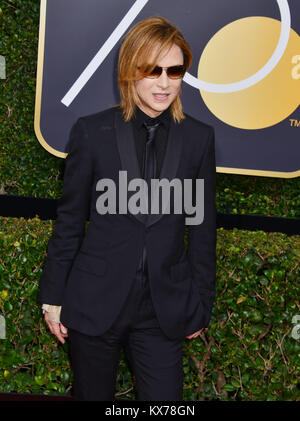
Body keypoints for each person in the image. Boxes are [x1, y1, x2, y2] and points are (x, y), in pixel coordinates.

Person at [39, 16, 216, 401]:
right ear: (130, 71)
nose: (165, 83)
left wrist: (200, 303)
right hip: (94, 301)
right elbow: (69, 221)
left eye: (174, 70)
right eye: (153, 71)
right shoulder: (92, 132)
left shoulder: (199, 138)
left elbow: (202, 228)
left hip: (163, 310)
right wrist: (53, 295)